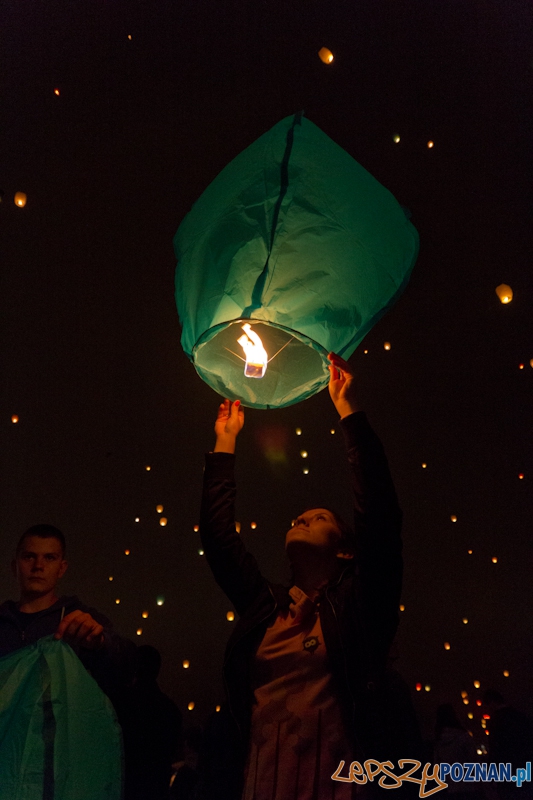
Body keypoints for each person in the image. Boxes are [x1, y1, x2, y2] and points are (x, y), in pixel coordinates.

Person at [199, 352, 411, 800]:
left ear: (345, 546)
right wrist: (225, 442)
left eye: (318, 518)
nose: (301, 517)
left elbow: (381, 519)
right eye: (299, 515)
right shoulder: (265, 608)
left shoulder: (359, 610)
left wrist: (348, 411)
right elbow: (219, 539)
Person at [0, 523, 136, 700]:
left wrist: (100, 643)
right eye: (29, 557)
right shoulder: (3, 620)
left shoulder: (80, 619)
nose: (38, 565)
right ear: (15, 566)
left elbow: (127, 671)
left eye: (49, 558)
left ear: (61, 568)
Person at [433, 704, 483, 800]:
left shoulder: (438, 741)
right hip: (469, 785)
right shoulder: (463, 737)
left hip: (450, 787)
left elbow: (437, 765)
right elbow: (474, 761)